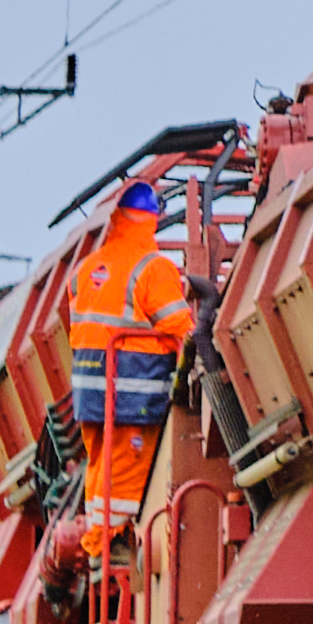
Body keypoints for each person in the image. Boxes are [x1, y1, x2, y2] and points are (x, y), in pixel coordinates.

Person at [55, 176, 201, 559]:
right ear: (153, 219)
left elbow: (78, 324)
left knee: (100, 469)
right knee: (124, 473)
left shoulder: (87, 268)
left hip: (90, 392)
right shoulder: (154, 268)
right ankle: (105, 542)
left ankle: (97, 533)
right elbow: (181, 330)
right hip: (131, 393)